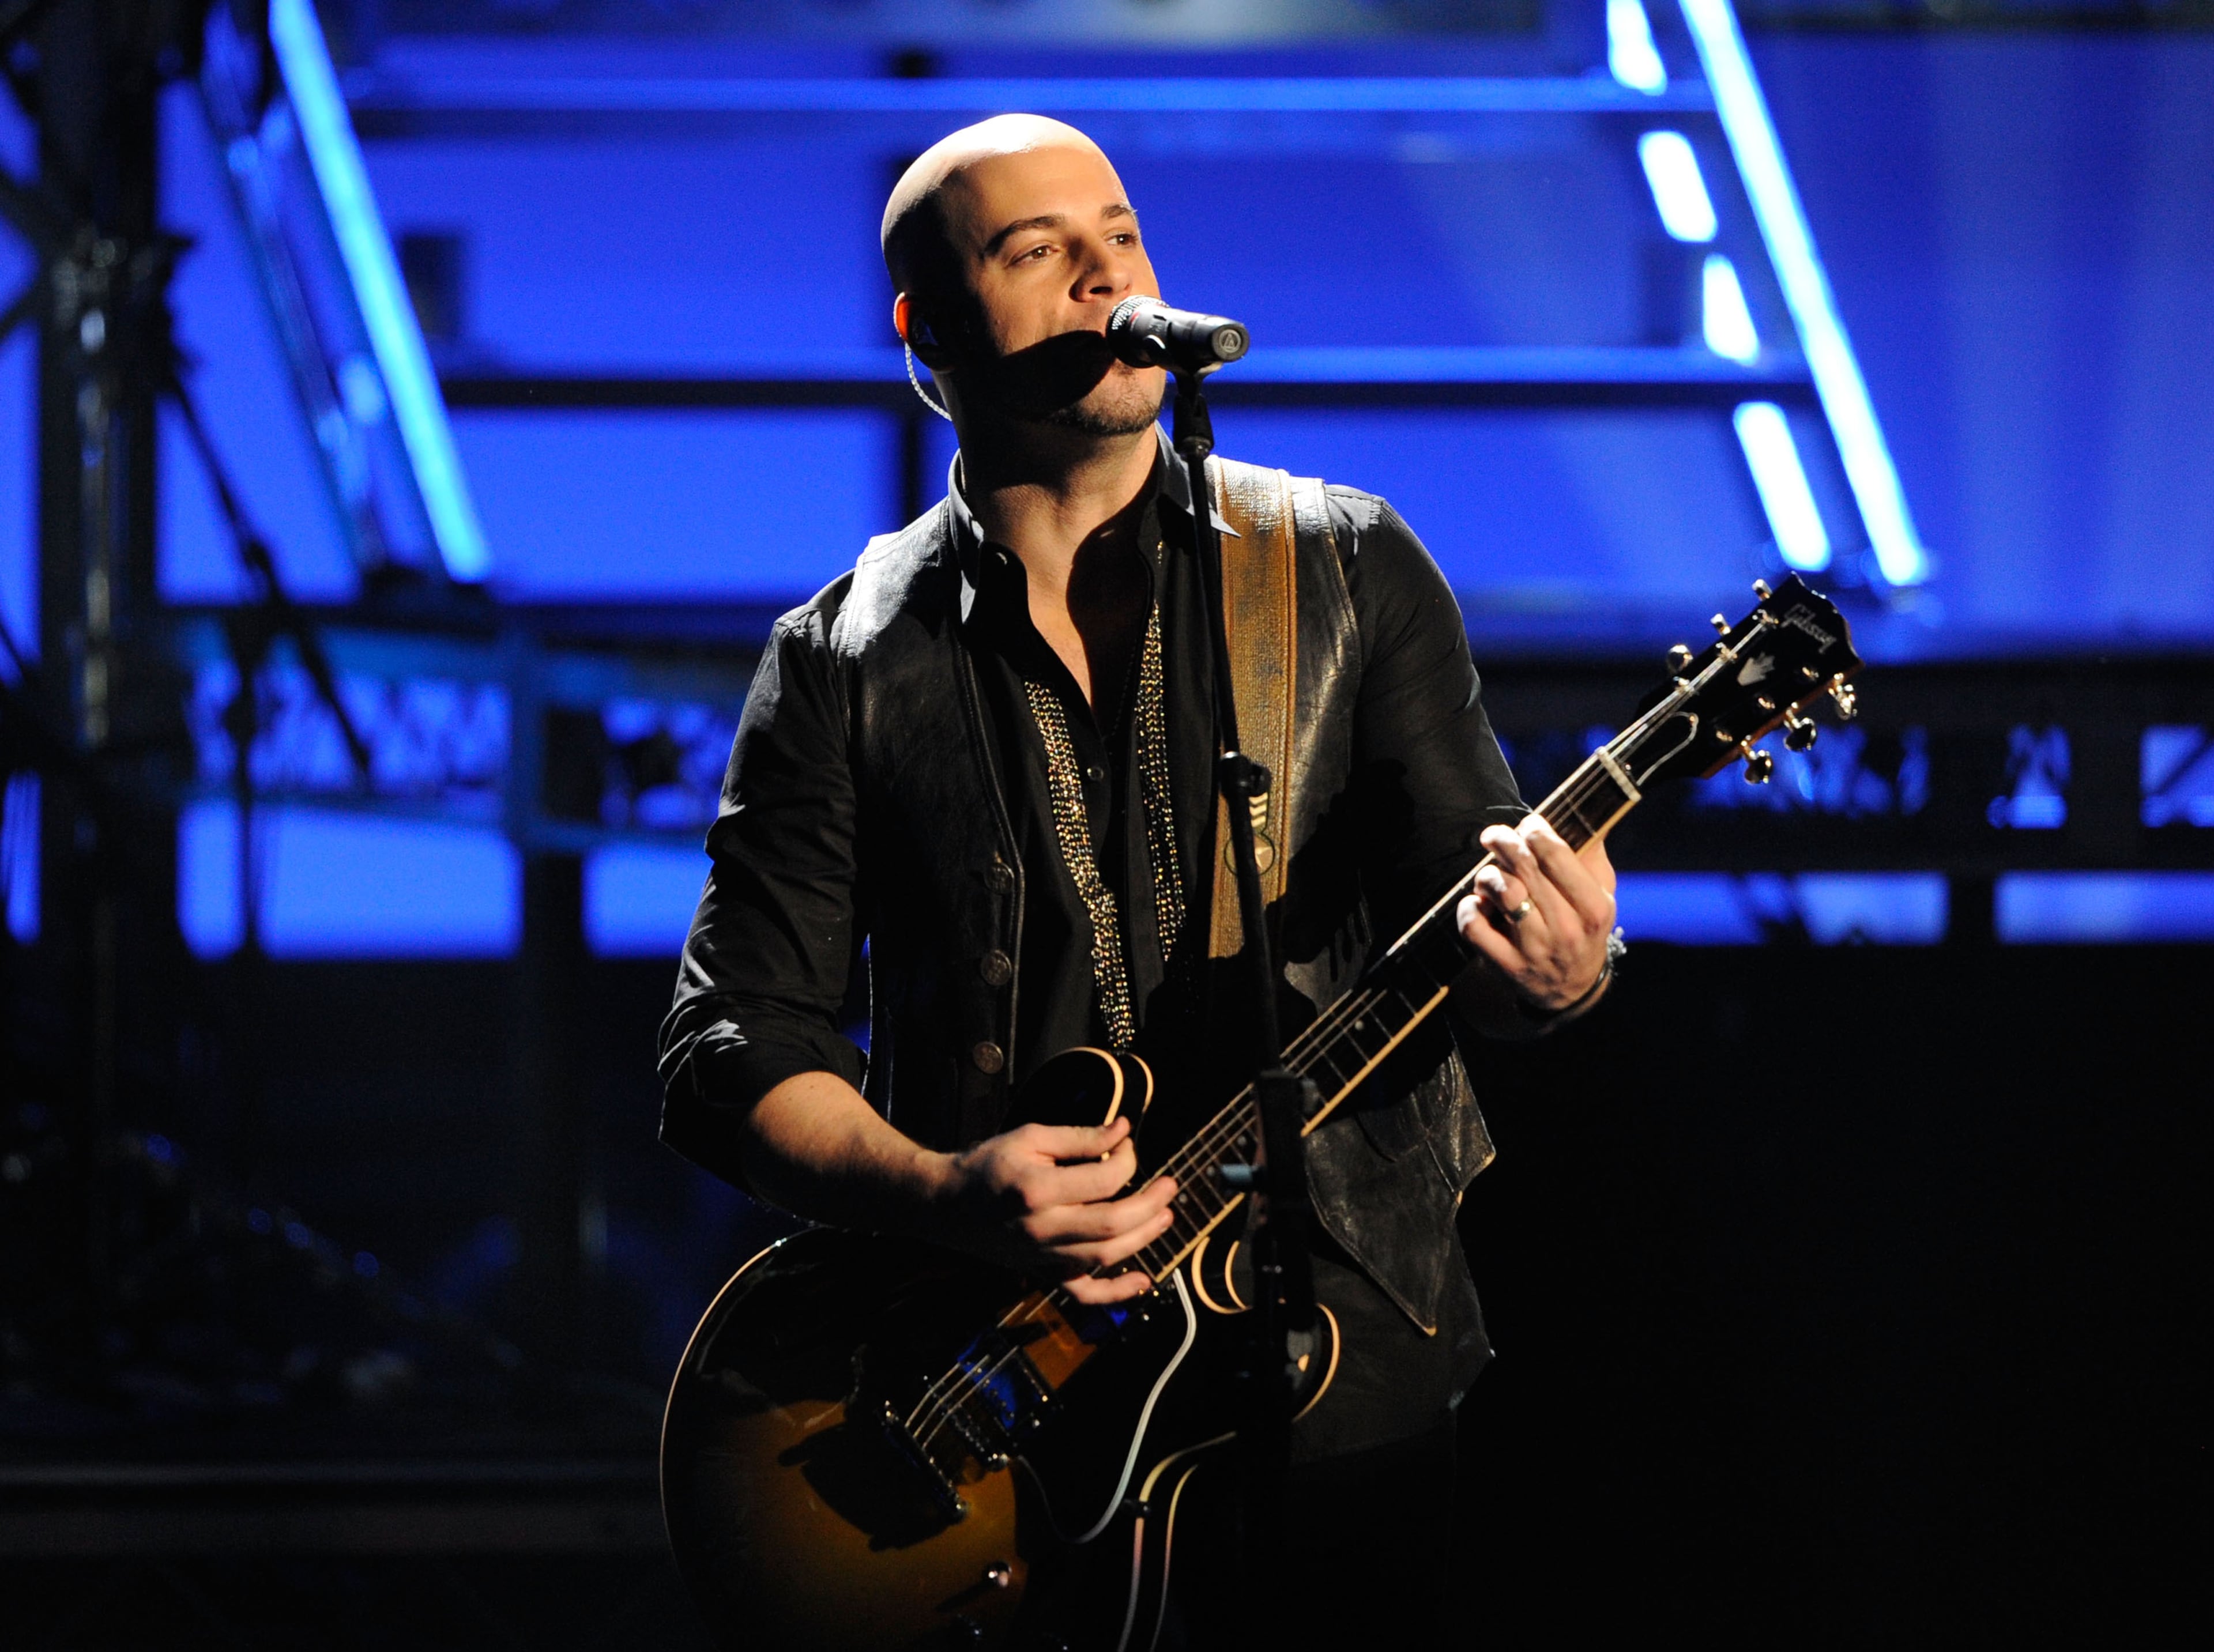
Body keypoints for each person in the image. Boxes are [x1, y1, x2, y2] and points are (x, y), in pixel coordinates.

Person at [658, 114, 1618, 1645]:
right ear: (927, 330)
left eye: (1119, 232)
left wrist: (1558, 974)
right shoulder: (843, 658)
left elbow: (1481, 918)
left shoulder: (1344, 568)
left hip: (1343, 1366)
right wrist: (947, 1194)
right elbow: (730, 1048)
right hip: (1000, 1398)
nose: (1107, 273)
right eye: (1038, 249)